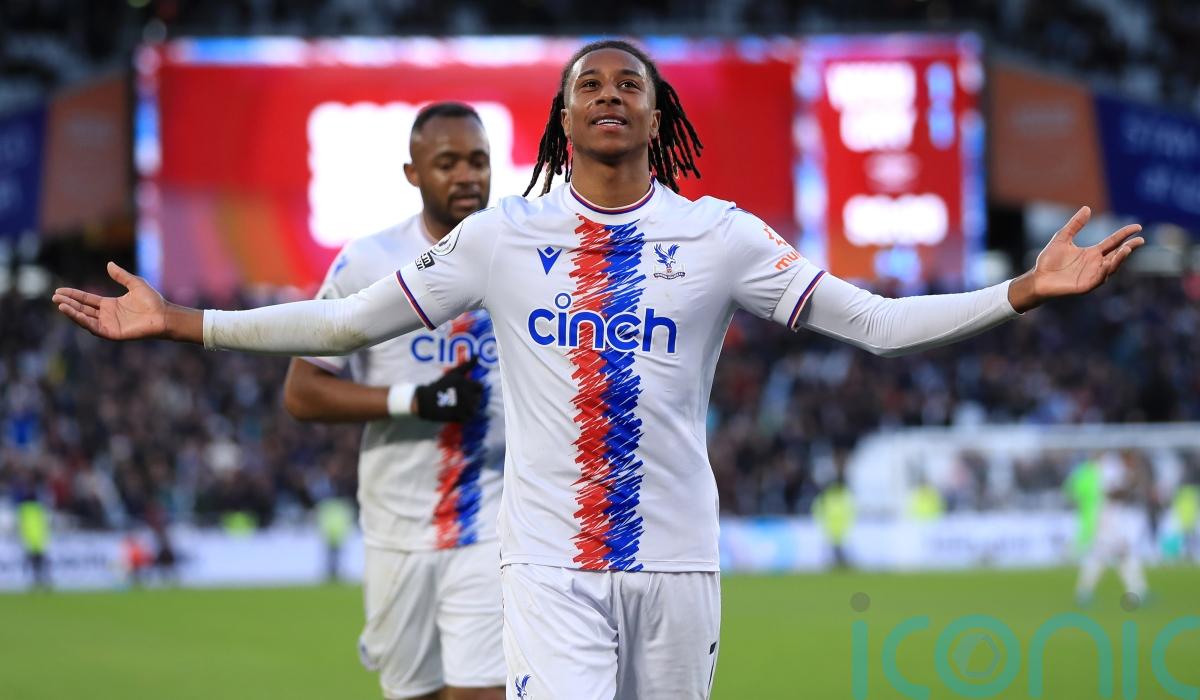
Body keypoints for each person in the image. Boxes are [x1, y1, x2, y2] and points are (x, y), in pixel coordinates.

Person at [54, 39, 1144, 699]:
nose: (611, 93)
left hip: (678, 561)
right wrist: (180, 321)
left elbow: (880, 324)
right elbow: (346, 322)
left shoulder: (722, 235)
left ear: (659, 115)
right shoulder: (499, 237)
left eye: (631, 83)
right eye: (590, 85)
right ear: (564, 118)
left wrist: (1019, 291)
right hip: (545, 568)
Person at [282, 102, 505, 700]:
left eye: (478, 161)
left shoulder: (525, 258)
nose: (467, 176)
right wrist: (416, 400)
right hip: (397, 526)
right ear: (413, 173)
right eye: (448, 163)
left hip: (495, 519)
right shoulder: (369, 263)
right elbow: (303, 391)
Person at [1075, 450, 1152, 605]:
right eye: (1132, 460)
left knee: (1112, 555)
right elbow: (1110, 493)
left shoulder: (1118, 470)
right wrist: (1129, 484)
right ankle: (1137, 591)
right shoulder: (1112, 470)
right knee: (1113, 554)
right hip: (1107, 517)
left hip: (1113, 517)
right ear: (1126, 458)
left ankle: (1138, 591)